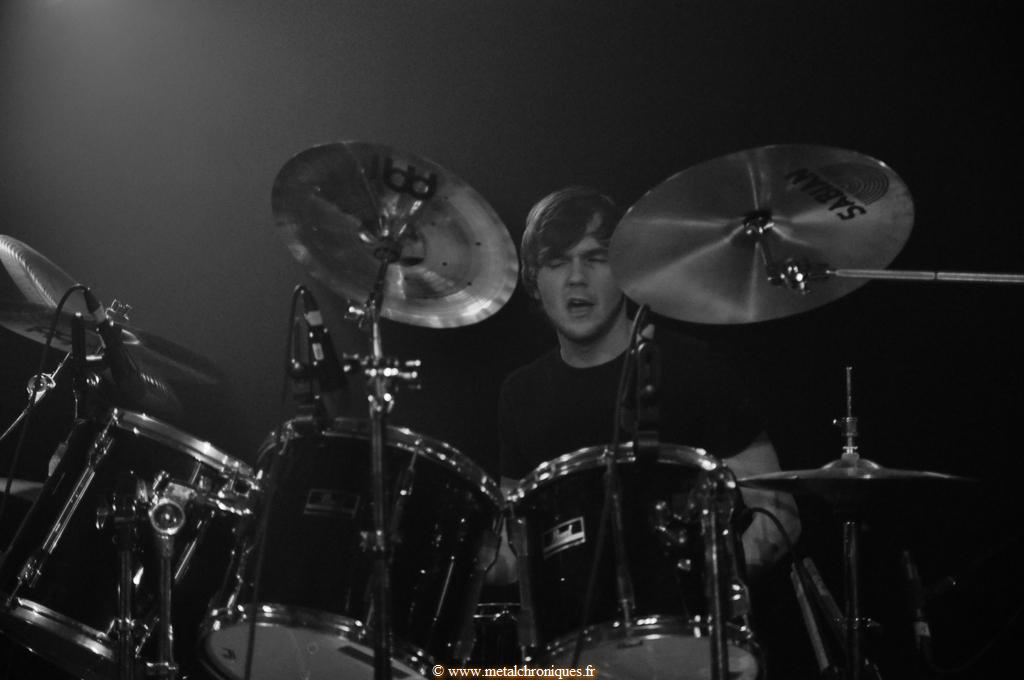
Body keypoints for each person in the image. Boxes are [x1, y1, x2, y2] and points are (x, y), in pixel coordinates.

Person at [490, 186, 801, 584]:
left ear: (624, 270)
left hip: (694, 612)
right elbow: (513, 544)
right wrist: (473, 562)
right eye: (557, 262)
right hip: (576, 619)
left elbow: (778, 514)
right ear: (534, 281)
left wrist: (714, 586)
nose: (576, 278)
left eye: (595, 258)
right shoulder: (521, 393)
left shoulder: (693, 365)